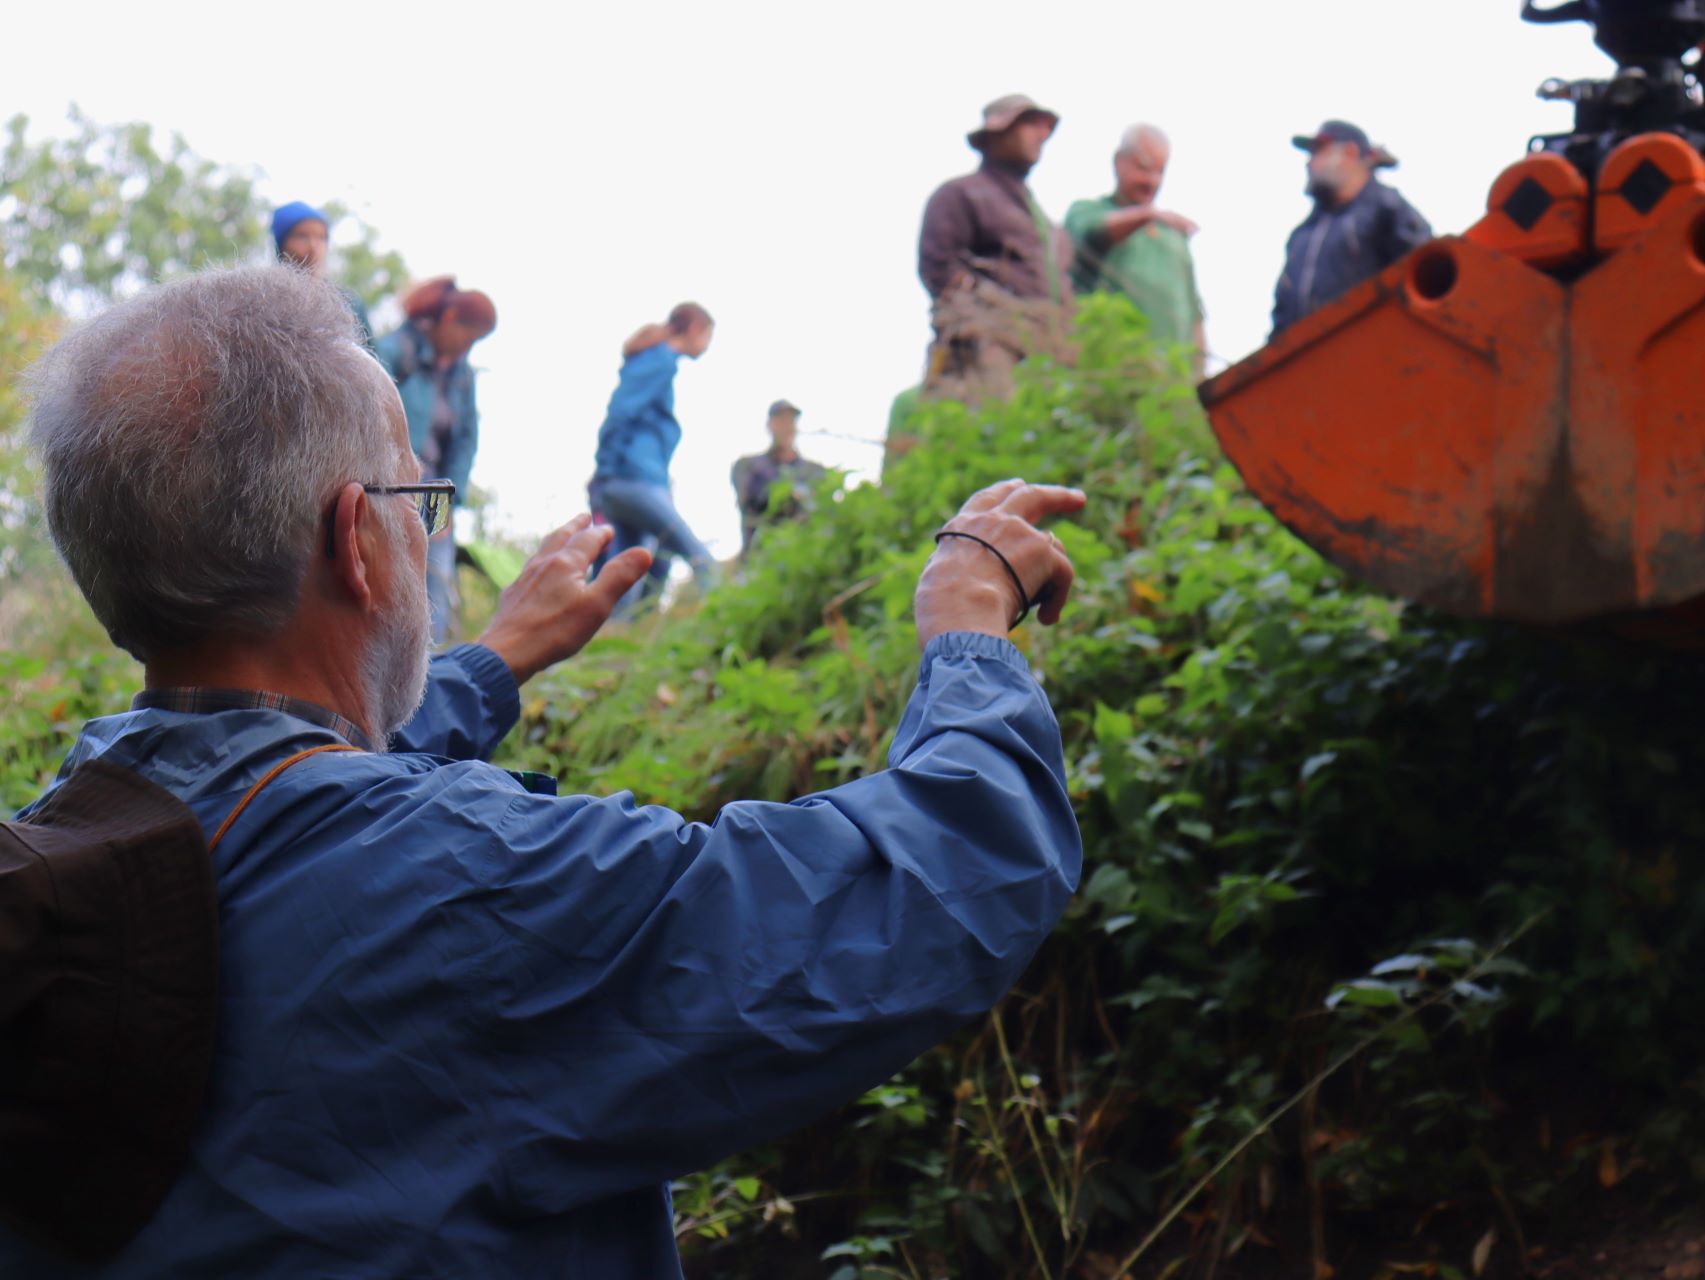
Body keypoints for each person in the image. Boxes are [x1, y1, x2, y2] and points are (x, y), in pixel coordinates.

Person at [6, 263, 1085, 1278]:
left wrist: (494, 661)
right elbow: (930, 884)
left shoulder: (74, 837)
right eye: (415, 507)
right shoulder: (482, 884)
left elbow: (286, 809)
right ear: (356, 542)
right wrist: (969, 624)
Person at [917, 94, 1074, 403]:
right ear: (997, 134)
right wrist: (990, 319)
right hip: (983, 359)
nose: (1040, 136)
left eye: (1043, 128)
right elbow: (939, 268)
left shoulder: (1043, 223)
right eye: (1028, 125)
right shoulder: (960, 195)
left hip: (1046, 360)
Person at [374, 276, 496, 644]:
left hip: (435, 489)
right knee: (387, 576)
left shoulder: (462, 377)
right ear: (450, 317)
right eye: (468, 334)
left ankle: (433, 667)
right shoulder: (396, 351)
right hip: (389, 482)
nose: (467, 347)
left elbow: (465, 440)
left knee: (436, 579)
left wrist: (449, 500)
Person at [589, 303, 718, 608]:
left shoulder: (656, 361)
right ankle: (732, 623)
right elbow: (620, 412)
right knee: (699, 557)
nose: (708, 345)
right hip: (633, 479)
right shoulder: (659, 361)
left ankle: (606, 645)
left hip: (625, 479)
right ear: (695, 329)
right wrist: (606, 473)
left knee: (621, 576)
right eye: (709, 336)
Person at [1269, 119, 1433, 341]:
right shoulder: (1302, 237)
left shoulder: (1387, 208)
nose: (1309, 163)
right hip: (1313, 367)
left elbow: (1427, 278)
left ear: (1349, 153)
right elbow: (1282, 317)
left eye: (1318, 152)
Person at [1066, 124, 1207, 354]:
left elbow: (1194, 315)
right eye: (1144, 168)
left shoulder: (1173, 236)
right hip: (1111, 368)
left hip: (1172, 378)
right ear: (1118, 162)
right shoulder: (1087, 211)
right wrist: (1150, 214)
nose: (1152, 181)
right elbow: (1094, 234)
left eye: (1160, 171)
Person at [730, 399, 827, 554]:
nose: (786, 426)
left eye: (790, 421)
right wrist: (789, 495)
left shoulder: (814, 471)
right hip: (760, 556)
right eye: (780, 420)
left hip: (805, 554)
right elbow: (751, 503)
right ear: (769, 425)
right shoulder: (748, 466)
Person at [270, 199, 372, 345]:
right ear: (282, 245)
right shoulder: (266, 303)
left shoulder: (349, 305)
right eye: (302, 236)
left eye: (321, 238)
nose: (313, 247)